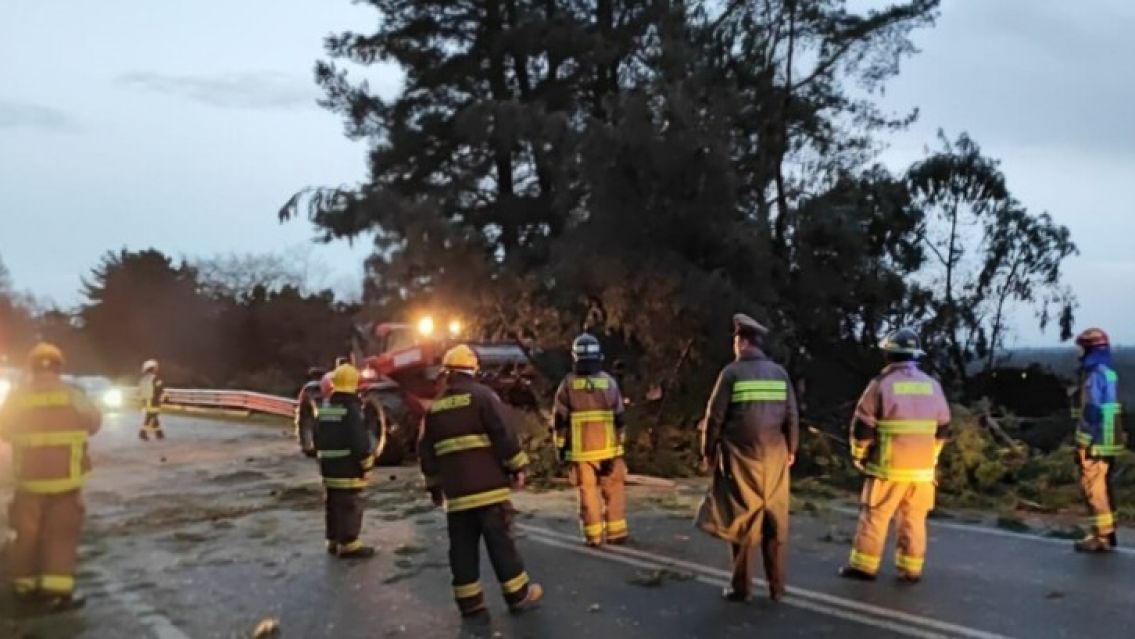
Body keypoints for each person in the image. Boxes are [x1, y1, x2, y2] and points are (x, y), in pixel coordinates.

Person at [420, 344, 543, 617]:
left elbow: (426, 452)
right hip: (489, 491)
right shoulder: (484, 397)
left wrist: (434, 486)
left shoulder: (435, 408)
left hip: (456, 496)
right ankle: (518, 596)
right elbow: (503, 435)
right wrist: (517, 466)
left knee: (462, 550)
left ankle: (470, 602)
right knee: (501, 544)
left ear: (448, 373)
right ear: (472, 370)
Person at [695, 314, 798, 603]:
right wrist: (791, 448)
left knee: (740, 521)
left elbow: (714, 418)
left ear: (741, 342)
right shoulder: (779, 373)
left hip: (740, 457)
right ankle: (777, 588)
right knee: (773, 522)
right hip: (775, 457)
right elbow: (791, 414)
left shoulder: (731, 373)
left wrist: (708, 452)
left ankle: (742, 588)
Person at [839, 328, 950, 583]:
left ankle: (864, 567)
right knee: (914, 519)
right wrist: (932, 458)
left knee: (875, 516)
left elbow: (863, 427)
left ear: (888, 354)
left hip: (887, 469)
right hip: (922, 472)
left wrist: (859, 456)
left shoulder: (881, 385)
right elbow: (943, 428)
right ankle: (911, 569)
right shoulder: (932, 386)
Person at [0, 343, 101, 614]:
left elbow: (3, 428)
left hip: (28, 482)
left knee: (26, 535)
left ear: (31, 367)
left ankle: (24, 587)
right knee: (60, 536)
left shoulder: (16, 397)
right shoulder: (73, 395)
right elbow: (94, 423)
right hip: (66, 482)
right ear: (58, 366)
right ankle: (56, 595)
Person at [552, 332, 629, 546]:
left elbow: (560, 421)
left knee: (588, 494)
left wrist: (559, 448)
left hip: (582, 451)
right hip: (610, 450)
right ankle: (617, 532)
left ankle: (594, 536)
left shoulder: (567, 385)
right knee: (614, 490)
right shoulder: (609, 383)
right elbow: (620, 417)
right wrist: (620, 445)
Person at [1070, 327, 1125, 553]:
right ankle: (1108, 531)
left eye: (1082, 347)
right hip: (1109, 439)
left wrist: (1083, 442)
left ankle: (1100, 537)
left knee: (1094, 489)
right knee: (1104, 486)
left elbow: (1090, 412)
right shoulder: (1108, 372)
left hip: (1096, 440)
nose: (1079, 352)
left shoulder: (1093, 375)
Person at [314, 363, 375, 558]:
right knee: (349, 504)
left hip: (328, 467)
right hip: (348, 468)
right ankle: (349, 543)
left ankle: (332, 539)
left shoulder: (325, 408)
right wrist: (366, 464)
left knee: (332, 504)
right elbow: (359, 440)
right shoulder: (352, 410)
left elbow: (316, 437)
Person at [295, 366, 326, 458]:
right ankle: (311, 445)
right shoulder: (320, 387)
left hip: (307, 407)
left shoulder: (309, 387)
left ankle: (307, 445)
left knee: (305, 423)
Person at [138, 359, 165, 441]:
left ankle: (159, 433)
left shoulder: (143, 379)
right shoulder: (156, 379)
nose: (157, 369)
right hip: (154, 401)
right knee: (151, 417)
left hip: (146, 401)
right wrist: (164, 397)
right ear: (152, 368)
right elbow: (159, 390)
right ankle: (143, 432)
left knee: (153, 416)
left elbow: (141, 391)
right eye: (155, 367)